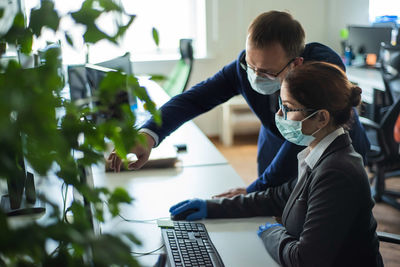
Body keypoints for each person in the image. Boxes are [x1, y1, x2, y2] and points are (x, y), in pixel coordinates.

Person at [108, 11, 370, 198]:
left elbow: (299, 143)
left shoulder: (321, 70)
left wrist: (254, 191)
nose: (255, 76)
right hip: (274, 146)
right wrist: (148, 134)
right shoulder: (244, 67)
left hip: (331, 156)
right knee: (272, 214)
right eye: (251, 65)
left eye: (266, 72)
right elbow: (195, 98)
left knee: (321, 225)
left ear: (295, 64)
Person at [169, 62, 383, 267]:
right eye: (281, 104)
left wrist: (272, 232)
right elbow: (277, 197)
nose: (280, 114)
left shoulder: (337, 172)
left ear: (321, 118)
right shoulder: (320, 154)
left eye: (288, 107)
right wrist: (211, 207)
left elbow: (304, 260)